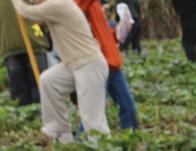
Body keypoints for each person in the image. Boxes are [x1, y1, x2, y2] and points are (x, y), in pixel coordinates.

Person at [15, 0, 106, 139]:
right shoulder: (55, 6)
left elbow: (27, 12)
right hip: (73, 63)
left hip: (88, 63)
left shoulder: (58, 4)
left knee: (92, 119)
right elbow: (35, 18)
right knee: (49, 81)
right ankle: (59, 129)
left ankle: (102, 148)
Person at [76, 0, 135, 128]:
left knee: (128, 107)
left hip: (112, 62)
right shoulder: (74, 5)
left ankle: (131, 137)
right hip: (96, 63)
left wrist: (118, 32)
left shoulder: (95, 5)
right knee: (94, 110)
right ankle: (83, 139)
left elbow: (102, 32)